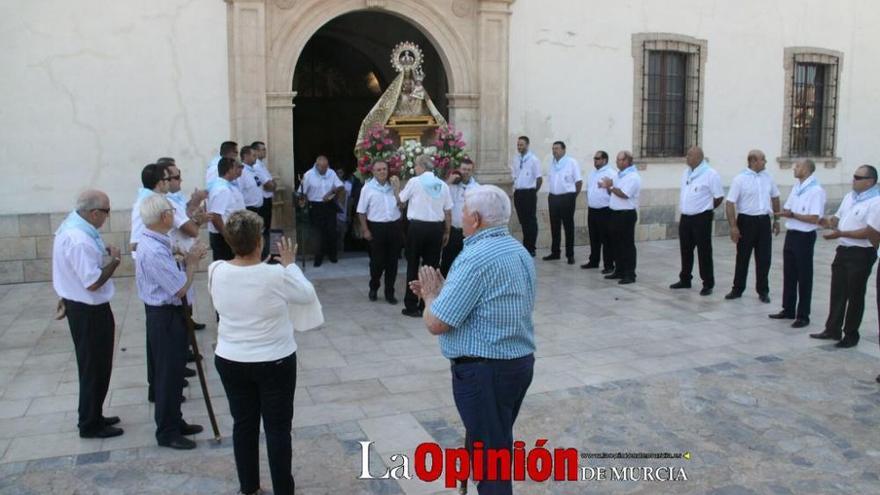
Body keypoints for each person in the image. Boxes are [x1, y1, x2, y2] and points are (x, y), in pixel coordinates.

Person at [410, 184, 535, 495]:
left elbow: (438, 322)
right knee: (492, 442)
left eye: (463, 212)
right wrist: (442, 294)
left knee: (491, 461)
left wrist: (429, 298)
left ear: (476, 219)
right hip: (516, 363)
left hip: (486, 370)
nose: (460, 217)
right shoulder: (518, 250)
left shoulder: (475, 257)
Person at [210, 210, 323, 495]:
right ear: (258, 242)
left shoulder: (216, 270)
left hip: (231, 358)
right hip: (275, 360)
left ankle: (248, 487)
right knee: (277, 429)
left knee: (243, 424)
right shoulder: (274, 275)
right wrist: (290, 265)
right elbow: (307, 294)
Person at [134, 194, 208, 449]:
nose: (173, 215)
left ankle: (175, 420)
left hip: (168, 315)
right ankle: (167, 431)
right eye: (170, 211)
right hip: (164, 316)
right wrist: (192, 263)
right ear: (164, 217)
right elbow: (179, 289)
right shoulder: (153, 250)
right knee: (167, 375)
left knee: (175, 372)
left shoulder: (157, 240)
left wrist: (182, 257)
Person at [52, 190, 124, 439]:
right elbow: (92, 281)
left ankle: (94, 413)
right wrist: (114, 261)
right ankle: (90, 423)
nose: (107, 216)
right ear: (94, 213)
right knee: (94, 366)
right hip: (88, 310)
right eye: (106, 211)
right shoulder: (79, 238)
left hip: (84, 307)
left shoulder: (74, 227)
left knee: (97, 365)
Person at [810, 165, 880, 348]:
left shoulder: (876, 201)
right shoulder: (851, 197)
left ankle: (851, 334)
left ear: (870, 182)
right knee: (838, 291)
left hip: (861, 252)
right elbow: (838, 218)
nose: (853, 180)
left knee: (855, 294)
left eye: (858, 177)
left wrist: (841, 234)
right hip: (844, 249)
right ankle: (832, 328)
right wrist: (826, 221)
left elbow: (869, 231)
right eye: (854, 176)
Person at [769, 159, 825, 328]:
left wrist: (792, 215)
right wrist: (779, 214)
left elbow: (815, 218)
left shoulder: (816, 191)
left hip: (804, 236)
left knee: (804, 276)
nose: (795, 168)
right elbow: (789, 209)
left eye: (798, 166)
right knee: (789, 273)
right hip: (792, 234)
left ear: (807, 169)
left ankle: (803, 315)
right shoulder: (797, 187)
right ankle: (788, 309)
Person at [396, 154, 453, 317]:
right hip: (436, 228)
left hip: (417, 227)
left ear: (421, 166)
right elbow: (448, 211)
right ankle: (428, 304)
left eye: (416, 166)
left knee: (413, 264)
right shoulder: (442, 184)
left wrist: (395, 188)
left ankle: (411, 305)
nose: (415, 169)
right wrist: (447, 231)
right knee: (432, 266)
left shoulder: (414, 182)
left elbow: (401, 201)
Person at [724, 150, 781, 302]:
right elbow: (730, 203)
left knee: (764, 258)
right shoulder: (740, 179)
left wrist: (777, 219)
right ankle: (737, 289)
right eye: (763, 159)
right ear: (753, 161)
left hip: (763, 221)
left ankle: (763, 291)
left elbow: (775, 197)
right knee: (742, 257)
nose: (766, 162)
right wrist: (733, 226)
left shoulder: (768, 177)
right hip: (746, 221)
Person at [670, 147, 724, 296]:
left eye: (689, 155)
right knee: (685, 249)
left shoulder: (710, 174)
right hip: (686, 216)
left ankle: (707, 283)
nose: (686, 157)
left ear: (699, 158)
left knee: (704, 251)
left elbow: (718, 197)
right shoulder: (686, 173)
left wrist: (706, 208)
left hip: (701, 217)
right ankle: (685, 279)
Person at [356, 161, 403, 304]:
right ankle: (374, 287)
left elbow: (402, 206)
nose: (382, 172)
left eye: (384, 169)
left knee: (393, 262)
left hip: (394, 227)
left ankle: (390, 292)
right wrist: (365, 229)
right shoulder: (367, 188)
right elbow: (361, 211)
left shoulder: (393, 185)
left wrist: (396, 191)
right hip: (376, 228)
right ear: (373, 172)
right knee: (377, 262)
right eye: (379, 170)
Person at [601, 151, 641, 285]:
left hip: (626, 214)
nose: (617, 162)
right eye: (617, 160)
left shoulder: (633, 177)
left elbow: (624, 194)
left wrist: (610, 187)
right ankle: (619, 270)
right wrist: (606, 186)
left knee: (627, 245)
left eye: (620, 160)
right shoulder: (619, 175)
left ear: (627, 161)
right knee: (616, 244)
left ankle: (630, 274)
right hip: (615, 213)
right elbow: (612, 190)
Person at [299, 155, 344, 267]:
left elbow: (340, 186)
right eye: (322, 167)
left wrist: (331, 192)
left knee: (331, 231)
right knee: (318, 233)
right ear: (317, 165)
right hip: (315, 206)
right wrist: (302, 203)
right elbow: (302, 192)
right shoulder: (308, 175)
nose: (325, 169)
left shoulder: (331, 172)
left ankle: (332, 255)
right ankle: (318, 257)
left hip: (329, 205)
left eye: (326, 167)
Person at [544, 141, 582, 264]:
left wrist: (572, 196)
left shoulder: (571, 162)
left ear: (564, 150)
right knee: (554, 226)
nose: (554, 151)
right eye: (553, 148)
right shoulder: (553, 163)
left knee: (568, 227)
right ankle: (555, 252)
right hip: (554, 197)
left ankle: (570, 255)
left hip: (567, 197)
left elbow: (578, 182)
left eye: (557, 148)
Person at [441, 158, 479, 277]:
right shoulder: (451, 186)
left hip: (469, 233)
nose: (465, 172)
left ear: (472, 171)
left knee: (467, 264)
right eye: (463, 169)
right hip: (453, 231)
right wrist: (449, 181)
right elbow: (438, 195)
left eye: (468, 170)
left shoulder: (477, 188)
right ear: (459, 170)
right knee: (447, 263)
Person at [582, 150, 616, 272]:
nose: (595, 160)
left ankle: (609, 265)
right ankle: (594, 261)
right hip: (593, 209)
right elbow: (588, 188)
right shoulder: (592, 173)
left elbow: (613, 191)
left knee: (606, 239)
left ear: (604, 160)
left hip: (605, 210)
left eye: (597, 158)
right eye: (594, 158)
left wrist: (607, 187)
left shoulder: (611, 173)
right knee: (594, 237)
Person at [208, 157, 245, 261]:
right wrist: (228, 236)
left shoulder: (225, 185)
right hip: (224, 236)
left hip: (230, 233)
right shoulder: (222, 189)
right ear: (229, 169)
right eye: (236, 167)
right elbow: (215, 216)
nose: (239, 170)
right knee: (227, 264)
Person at [510, 136, 542, 256]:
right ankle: (526, 245)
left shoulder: (534, 159)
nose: (519, 147)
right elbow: (514, 175)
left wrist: (533, 191)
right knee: (523, 221)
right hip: (518, 193)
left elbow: (539, 178)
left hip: (529, 193)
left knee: (531, 221)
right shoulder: (516, 159)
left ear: (527, 145)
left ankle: (531, 247)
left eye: (521, 145)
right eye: (518, 145)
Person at [130, 163, 170, 254]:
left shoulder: (156, 200)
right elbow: (135, 242)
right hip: (149, 256)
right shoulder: (145, 203)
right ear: (160, 183)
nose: (170, 182)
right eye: (168, 179)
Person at [251, 141, 277, 259]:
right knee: (263, 230)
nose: (264, 151)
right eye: (262, 149)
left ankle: (267, 254)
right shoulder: (256, 166)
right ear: (255, 151)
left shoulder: (261, 165)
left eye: (265, 149)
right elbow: (269, 185)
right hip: (263, 202)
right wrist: (273, 184)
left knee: (267, 230)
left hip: (267, 200)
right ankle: (264, 255)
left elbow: (272, 183)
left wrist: (273, 184)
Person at [238, 146, 265, 216]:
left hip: (259, 209)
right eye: (254, 155)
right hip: (249, 209)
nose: (256, 157)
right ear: (246, 156)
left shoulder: (253, 170)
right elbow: (239, 192)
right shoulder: (241, 172)